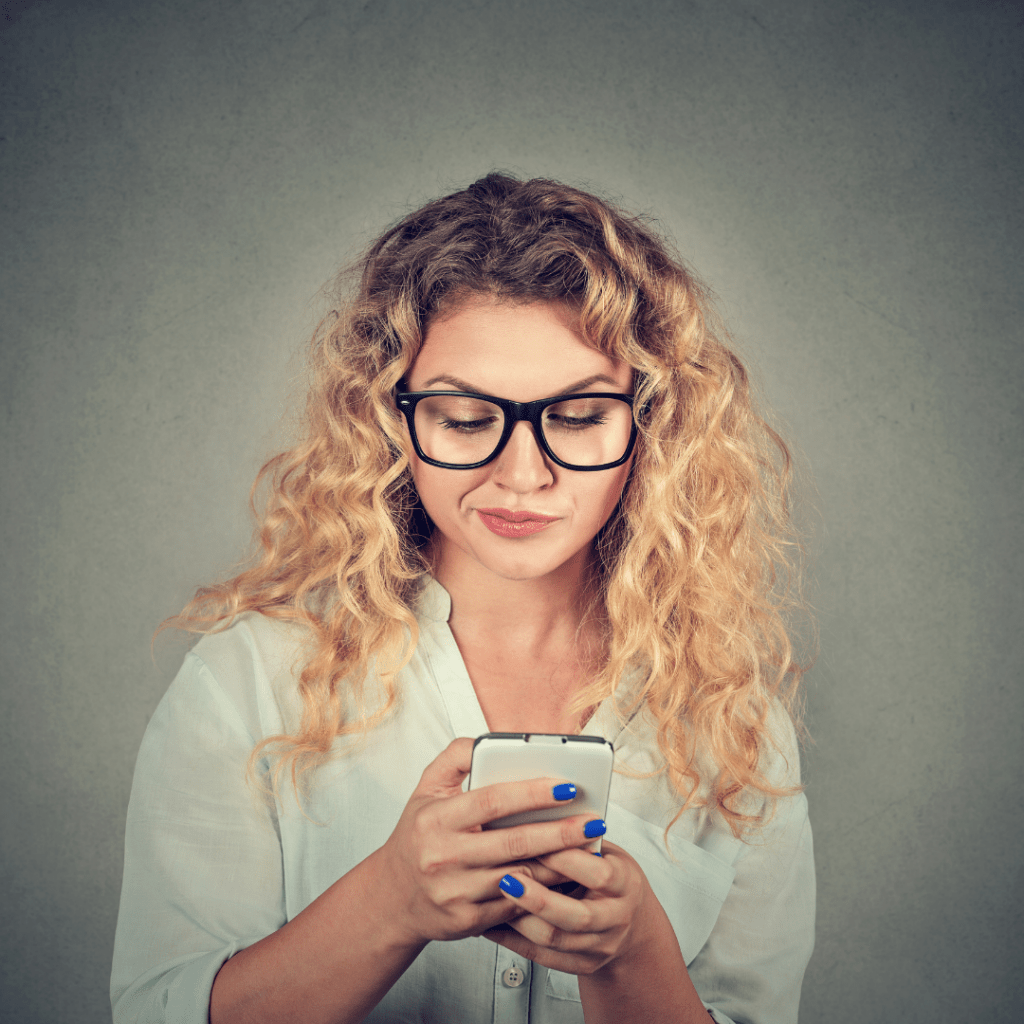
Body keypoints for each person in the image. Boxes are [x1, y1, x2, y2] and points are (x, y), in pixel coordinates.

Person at [110, 173, 815, 1024]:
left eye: (582, 416)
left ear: (649, 428)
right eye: (465, 417)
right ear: (393, 419)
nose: (522, 475)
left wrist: (634, 958)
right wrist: (386, 904)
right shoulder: (249, 683)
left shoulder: (731, 720)